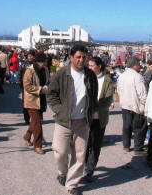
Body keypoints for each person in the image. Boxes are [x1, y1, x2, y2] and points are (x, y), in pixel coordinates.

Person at [47, 45, 98, 195]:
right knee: (60, 152)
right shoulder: (61, 74)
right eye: (78, 57)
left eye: (84, 57)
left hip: (82, 122)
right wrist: (59, 110)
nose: (81, 60)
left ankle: (72, 184)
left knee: (80, 155)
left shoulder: (90, 75)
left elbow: (93, 95)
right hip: (64, 121)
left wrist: (91, 111)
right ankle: (62, 172)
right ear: (71, 58)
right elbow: (51, 94)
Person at [83, 57, 114, 182]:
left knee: (95, 145)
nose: (89, 68)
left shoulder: (107, 81)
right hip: (86, 118)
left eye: (92, 65)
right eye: (88, 65)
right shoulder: (86, 78)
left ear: (99, 66)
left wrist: (94, 107)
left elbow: (107, 100)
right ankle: (85, 166)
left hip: (99, 118)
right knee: (85, 144)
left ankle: (89, 171)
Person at [117, 56, 147, 155]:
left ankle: (126, 145)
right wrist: (145, 104)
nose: (140, 67)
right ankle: (138, 148)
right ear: (134, 65)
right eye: (139, 65)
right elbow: (142, 93)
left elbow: (118, 90)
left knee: (126, 126)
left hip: (125, 105)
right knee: (139, 128)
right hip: (135, 105)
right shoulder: (137, 76)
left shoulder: (122, 76)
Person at [23, 52, 50, 154]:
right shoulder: (30, 70)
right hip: (32, 100)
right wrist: (40, 89)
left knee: (35, 121)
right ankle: (38, 145)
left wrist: (47, 86)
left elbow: (47, 81)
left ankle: (27, 136)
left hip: (41, 99)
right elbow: (27, 86)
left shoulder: (46, 69)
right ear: (38, 61)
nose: (45, 63)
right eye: (43, 61)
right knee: (37, 123)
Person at [18, 50, 35, 124]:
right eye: (29, 56)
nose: (30, 57)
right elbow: (19, 74)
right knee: (25, 103)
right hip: (25, 87)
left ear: (34, 57)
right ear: (27, 57)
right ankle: (26, 118)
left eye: (31, 56)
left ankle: (33, 117)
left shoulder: (36, 65)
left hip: (34, 87)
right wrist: (20, 84)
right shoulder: (23, 65)